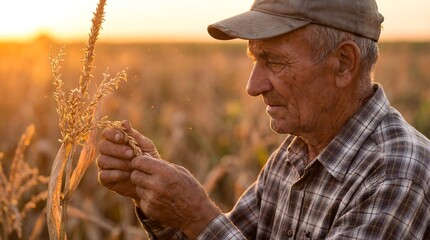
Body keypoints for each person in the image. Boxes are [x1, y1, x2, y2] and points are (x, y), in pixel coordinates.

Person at [97, 0, 430, 239]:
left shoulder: (397, 173)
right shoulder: (294, 154)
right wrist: (155, 197)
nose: (253, 86)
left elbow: (212, 231)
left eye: (274, 61)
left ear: (343, 63)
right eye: (255, 58)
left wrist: (198, 218)